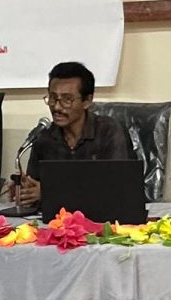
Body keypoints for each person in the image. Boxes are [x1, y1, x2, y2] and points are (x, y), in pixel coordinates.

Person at [9, 61, 134, 208]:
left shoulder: (109, 131)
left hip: (105, 218)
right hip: (57, 219)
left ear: (87, 101)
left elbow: (118, 190)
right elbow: (36, 189)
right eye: (53, 98)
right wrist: (25, 191)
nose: (56, 107)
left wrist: (50, 193)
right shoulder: (43, 137)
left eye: (67, 100)